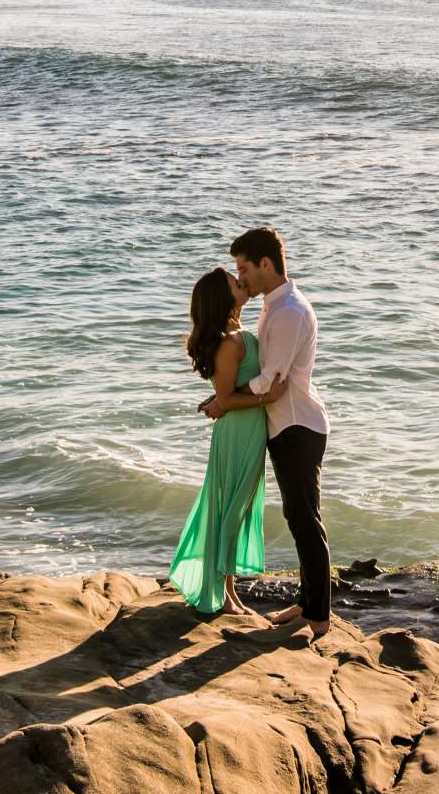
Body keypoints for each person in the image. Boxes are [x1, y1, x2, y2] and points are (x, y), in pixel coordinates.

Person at [197, 226, 331, 641]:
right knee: (296, 516)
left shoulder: (289, 310)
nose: (242, 276)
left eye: (244, 267)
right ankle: (308, 604)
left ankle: (318, 617)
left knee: (305, 519)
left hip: (297, 425)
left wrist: (225, 400)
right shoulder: (274, 306)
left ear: (265, 264)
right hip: (283, 424)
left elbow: (271, 379)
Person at [169, 266, 288, 618]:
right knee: (230, 510)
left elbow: (224, 395)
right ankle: (224, 592)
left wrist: (218, 401)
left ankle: (228, 589)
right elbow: (228, 399)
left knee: (238, 508)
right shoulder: (230, 342)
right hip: (238, 433)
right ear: (225, 298)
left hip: (248, 430)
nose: (243, 283)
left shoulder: (236, 334)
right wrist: (269, 398)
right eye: (236, 284)